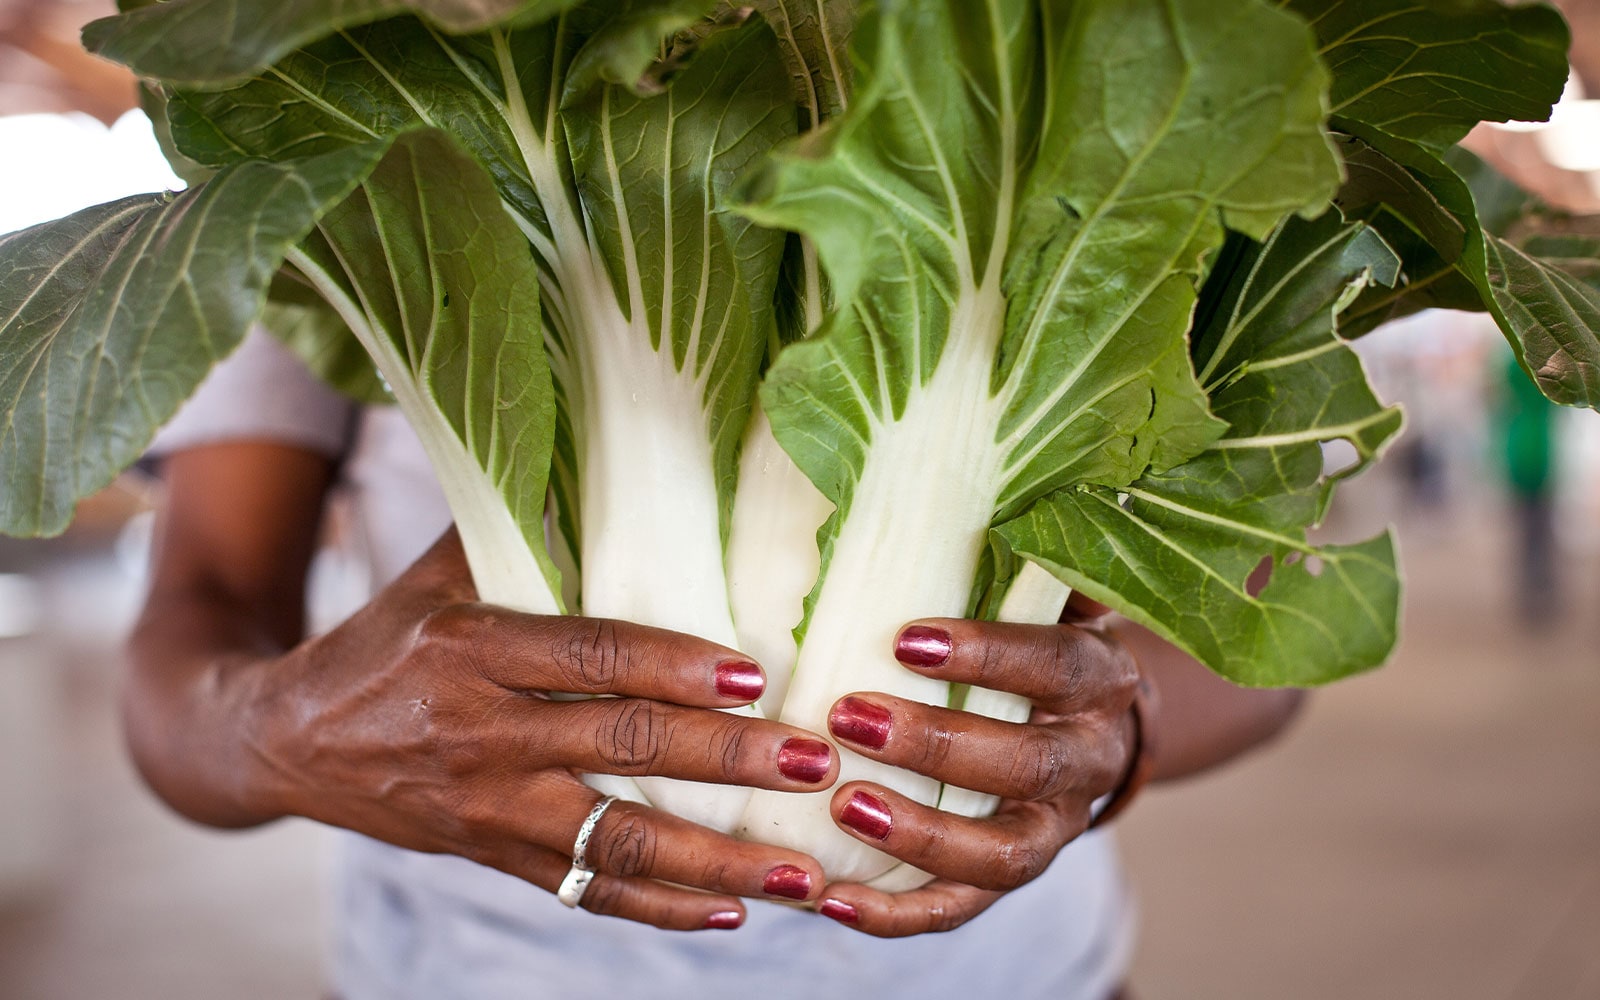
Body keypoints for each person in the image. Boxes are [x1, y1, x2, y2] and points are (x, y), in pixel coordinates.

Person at [127, 331, 1305, 999]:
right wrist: (284, 728)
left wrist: (1116, 729)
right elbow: (195, 625)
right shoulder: (339, 51)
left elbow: (1282, 635)